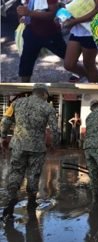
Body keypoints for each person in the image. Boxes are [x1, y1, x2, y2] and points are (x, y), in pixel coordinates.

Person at [1, 85, 59, 219]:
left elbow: (5, 121)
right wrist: (54, 145)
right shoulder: (48, 107)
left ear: (33, 93)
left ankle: (12, 197)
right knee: (33, 174)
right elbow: (55, 129)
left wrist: (3, 136)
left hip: (18, 145)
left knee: (16, 171)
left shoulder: (16, 103)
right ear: (44, 94)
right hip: (37, 148)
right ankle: (31, 202)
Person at [15, 0, 69, 82]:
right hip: (32, 32)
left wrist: (29, 12)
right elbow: (29, 7)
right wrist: (23, 15)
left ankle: (87, 74)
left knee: (69, 60)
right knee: (25, 66)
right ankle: (25, 93)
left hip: (49, 33)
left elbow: (52, 14)